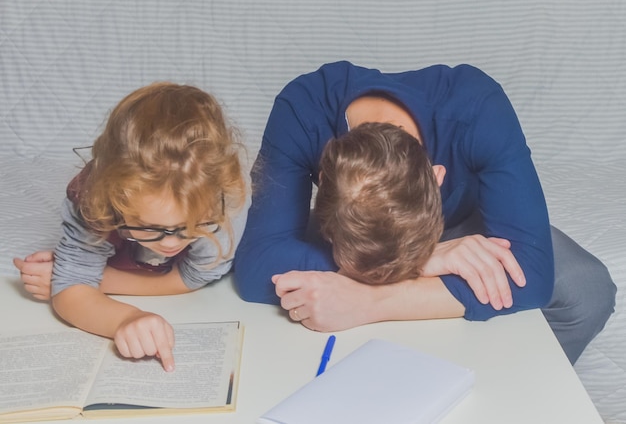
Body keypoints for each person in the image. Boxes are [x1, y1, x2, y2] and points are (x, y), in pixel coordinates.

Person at [234, 61, 616, 364]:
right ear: (323, 180)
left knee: (587, 287)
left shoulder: (477, 106)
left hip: (462, 231)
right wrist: (422, 264)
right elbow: (255, 269)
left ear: (438, 178)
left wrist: (369, 302)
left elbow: (533, 275)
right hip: (355, 239)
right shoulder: (303, 107)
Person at [13, 82, 249, 372]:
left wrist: (90, 278)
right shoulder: (93, 198)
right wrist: (124, 319)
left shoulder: (223, 200)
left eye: (191, 227)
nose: (171, 244)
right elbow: (69, 293)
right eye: (149, 227)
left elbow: (193, 277)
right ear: (113, 198)